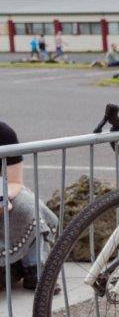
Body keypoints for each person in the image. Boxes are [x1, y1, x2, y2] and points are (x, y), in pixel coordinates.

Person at [1, 121, 58, 294]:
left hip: (3, 189)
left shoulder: (4, 133)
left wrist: (4, 199)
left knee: (29, 207)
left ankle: (35, 269)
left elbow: (14, 181)